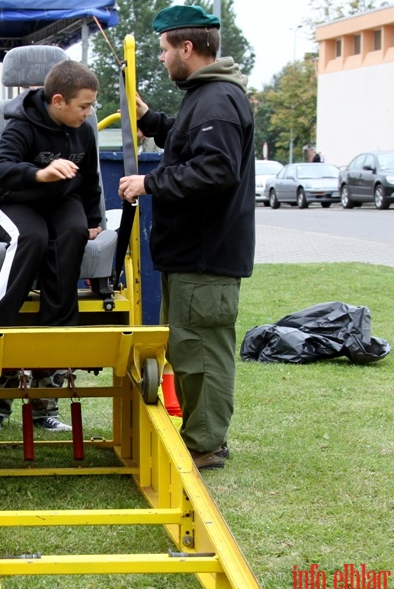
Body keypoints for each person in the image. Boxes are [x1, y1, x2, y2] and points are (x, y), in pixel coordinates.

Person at [118, 5, 255, 470]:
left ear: (187, 48)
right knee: (189, 348)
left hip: (206, 254)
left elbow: (216, 168)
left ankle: (206, 443)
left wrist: (149, 183)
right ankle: (203, 434)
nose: (160, 59)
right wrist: (153, 120)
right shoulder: (206, 95)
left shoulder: (216, 98)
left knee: (201, 354)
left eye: (164, 51)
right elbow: (189, 139)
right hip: (192, 253)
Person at [0, 59, 103, 434]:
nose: (89, 113)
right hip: (16, 198)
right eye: (84, 106)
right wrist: (38, 172)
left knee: (73, 232)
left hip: (60, 202)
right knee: (32, 237)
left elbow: (90, 180)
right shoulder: (20, 123)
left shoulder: (83, 131)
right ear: (59, 101)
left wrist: (93, 221)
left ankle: (46, 403)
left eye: (92, 106)